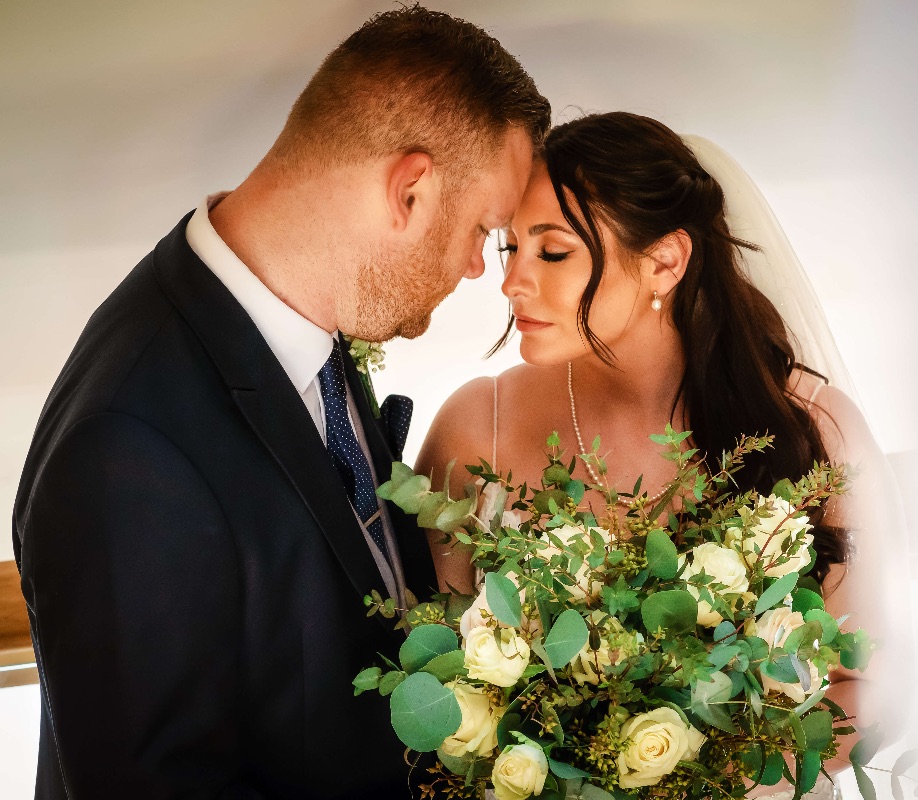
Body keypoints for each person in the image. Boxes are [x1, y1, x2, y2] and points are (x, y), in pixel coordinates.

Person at [12, 7, 548, 798]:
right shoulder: (126, 447)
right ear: (410, 189)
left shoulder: (297, 323)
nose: (478, 267)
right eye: (481, 229)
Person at [416, 112, 910, 798]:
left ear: (666, 262)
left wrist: (714, 773)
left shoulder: (810, 429)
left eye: (552, 252)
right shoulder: (477, 428)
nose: (512, 282)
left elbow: (874, 682)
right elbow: (436, 677)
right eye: (510, 249)